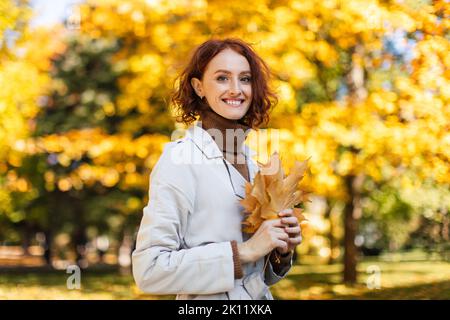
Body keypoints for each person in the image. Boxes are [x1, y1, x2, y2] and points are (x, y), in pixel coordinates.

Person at [132, 38, 303, 300]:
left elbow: (252, 278)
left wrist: (280, 250)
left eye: (245, 79)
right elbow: (149, 270)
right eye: (222, 78)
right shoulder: (179, 160)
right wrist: (244, 251)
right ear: (199, 87)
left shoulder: (252, 161)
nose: (236, 89)